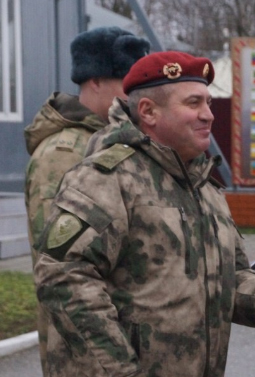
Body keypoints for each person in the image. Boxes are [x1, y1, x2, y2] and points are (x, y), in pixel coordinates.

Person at [33, 51, 255, 377]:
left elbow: (230, 280)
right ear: (148, 112)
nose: (208, 115)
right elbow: (63, 279)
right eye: (193, 103)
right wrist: (122, 370)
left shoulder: (205, 188)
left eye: (209, 103)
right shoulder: (107, 178)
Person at [23, 26, 150, 374]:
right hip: (85, 352)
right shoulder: (62, 154)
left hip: (124, 336)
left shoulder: (116, 140)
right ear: (94, 81)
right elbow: (58, 261)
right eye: (127, 81)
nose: (136, 94)